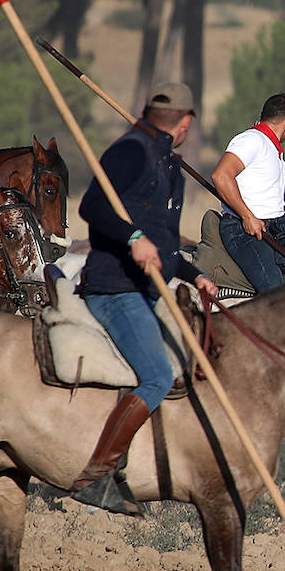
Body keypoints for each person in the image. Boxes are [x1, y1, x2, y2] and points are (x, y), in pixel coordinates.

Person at [71, 81, 218, 514]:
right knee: (156, 376)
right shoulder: (132, 150)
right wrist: (132, 236)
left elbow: (164, 244)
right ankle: (96, 477)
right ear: (186, 121)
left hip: (147, 289)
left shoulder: (166, 161)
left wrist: (194, 274)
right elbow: (93, 207)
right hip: (115, 288)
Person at [211, 92, 285, 293]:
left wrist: (283, 211)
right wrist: (247, 216)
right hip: (242, 231)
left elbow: (258, 192)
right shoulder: (252, 140)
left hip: (269, 229)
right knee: (275, 291)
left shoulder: (272, 148)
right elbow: (221, 176)